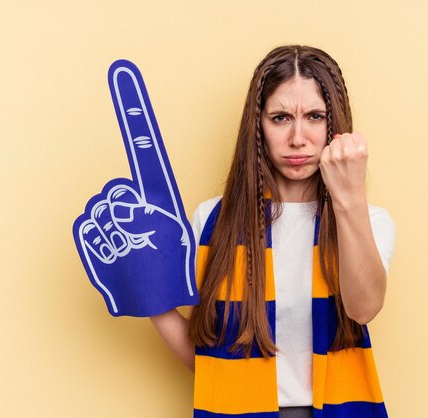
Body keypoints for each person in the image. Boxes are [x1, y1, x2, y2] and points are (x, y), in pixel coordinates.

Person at [149, 45, 395, 418]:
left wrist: (349, 197)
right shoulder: (212, 223)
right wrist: (146, 293)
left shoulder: (369, 220)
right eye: (280, 118)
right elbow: (211, 365)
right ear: (258, 125)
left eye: (315, 116)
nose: (298, 138)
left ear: (335, 124)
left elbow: (363, 309)